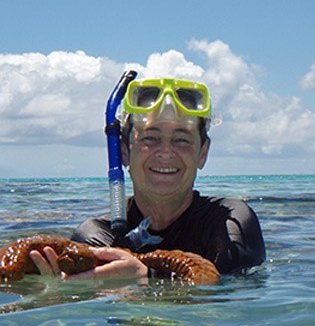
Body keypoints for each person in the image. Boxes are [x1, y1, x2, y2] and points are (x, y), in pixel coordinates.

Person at [30, 76, 265, 281]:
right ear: (124, 152)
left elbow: (234, 289)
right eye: (150, 138)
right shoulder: (96, 234)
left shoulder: (229, 220)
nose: (165, 151)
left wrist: (148, 278)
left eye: (181, 139)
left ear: (202, 154)